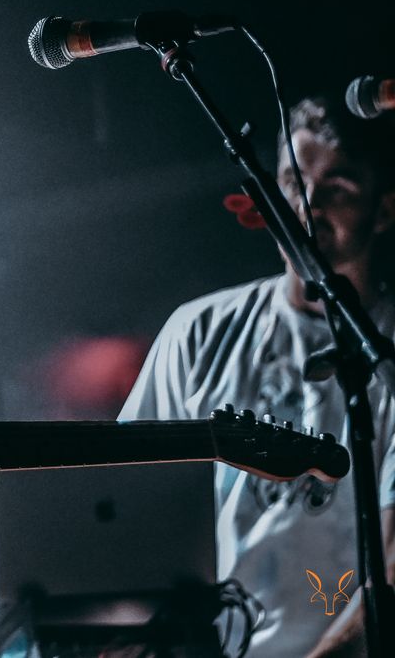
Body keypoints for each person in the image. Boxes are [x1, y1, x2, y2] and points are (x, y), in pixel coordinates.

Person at [119, 95, 395, 658]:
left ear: (384, 210)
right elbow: (127, 507)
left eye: (338, 188)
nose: (308, 205)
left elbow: (391, 568)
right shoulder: (198, 331)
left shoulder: (387, 357)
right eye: (293, 183)